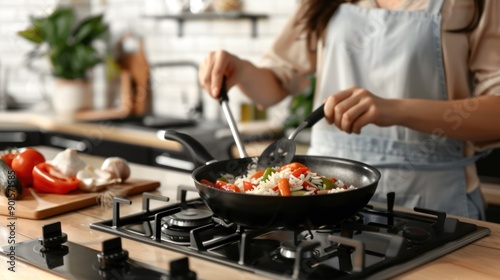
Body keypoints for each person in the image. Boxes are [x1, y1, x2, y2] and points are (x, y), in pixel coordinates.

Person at [198, 0, 500, 220]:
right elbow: (275, 84)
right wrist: (241, 70)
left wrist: (393, 109)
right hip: (324, 203)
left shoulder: (474, 5)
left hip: (432, 203)